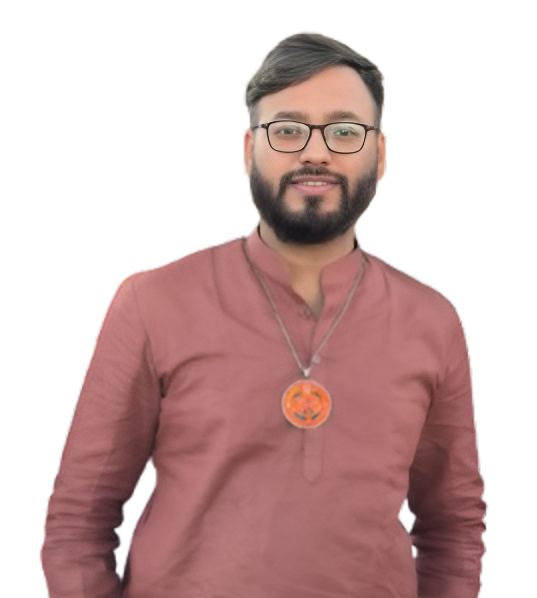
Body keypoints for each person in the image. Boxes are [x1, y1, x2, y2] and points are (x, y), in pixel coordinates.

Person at [40, 32, 486, 598]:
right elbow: (78, 523)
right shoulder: (152, 301)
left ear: (380, 156)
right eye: (288, 129)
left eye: (345, 131)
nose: (316, 152)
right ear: (249, 150)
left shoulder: (432, 320)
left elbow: (453, 526)